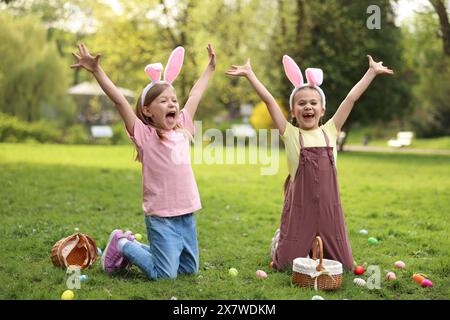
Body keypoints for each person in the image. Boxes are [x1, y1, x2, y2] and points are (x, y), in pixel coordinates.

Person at [226, 54, 393, 270]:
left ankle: (314, 247)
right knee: (285, 265)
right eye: (301, 103)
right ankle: (281, 241)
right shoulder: (290, 133)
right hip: (300, 210)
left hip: (329, 210)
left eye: (313, 103)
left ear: (322, 110)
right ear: (294, 112)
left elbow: (350, 99)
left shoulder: (330, 130)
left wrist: (371, 72)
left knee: (346, 266)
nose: (308, 107)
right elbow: (268, 101)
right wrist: (250, 75)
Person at [71, 43, 216, 279]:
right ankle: (122, 245)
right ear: (147, 110)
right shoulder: (145, 135)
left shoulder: (183, 128)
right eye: (164, 101)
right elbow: (119, 101)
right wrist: (97, 71)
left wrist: (210, 68)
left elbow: (196, 94)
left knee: (188, 270)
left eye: (174, 100)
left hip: (186, 214)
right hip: (161, 217)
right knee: (165, 275)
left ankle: (133, 247)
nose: (172, 104)